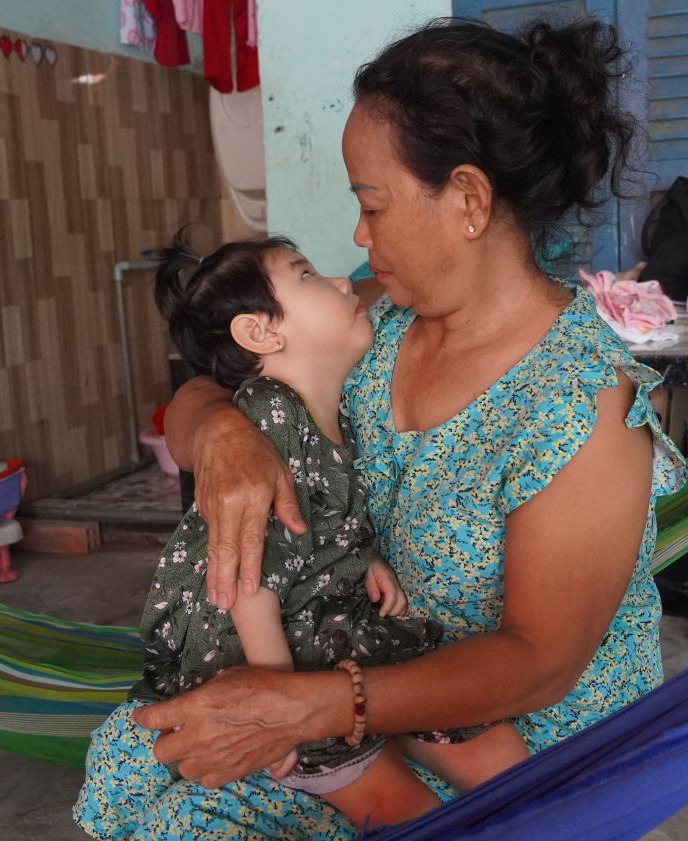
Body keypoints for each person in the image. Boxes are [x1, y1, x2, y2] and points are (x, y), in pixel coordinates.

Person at [74, 16, 686, 841]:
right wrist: (221, 434)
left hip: (511, 744)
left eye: (371, 204)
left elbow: (538, 662)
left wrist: (315, 703)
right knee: (144, 766)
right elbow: (207, 384)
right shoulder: (372, 320)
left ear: (467, 199)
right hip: (345, 676)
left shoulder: (580, 403)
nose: (358, 237)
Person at [126, 232, 528, 829]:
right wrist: (277, 706)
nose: (343, 281)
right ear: (261, 332)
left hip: (325, 627)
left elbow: (314, 517)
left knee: (503, 761)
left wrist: (360, 559)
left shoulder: (327, 411)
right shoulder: (271, 414)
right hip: (266, 654)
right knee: (405, 812)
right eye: (307, 275)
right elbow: (248, 583)